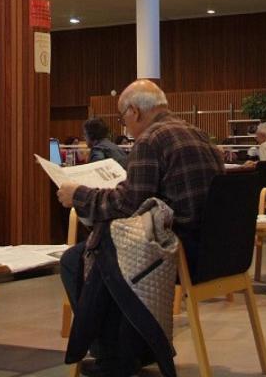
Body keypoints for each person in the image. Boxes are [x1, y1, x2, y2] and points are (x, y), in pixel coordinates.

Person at [56, 80, 223, 375]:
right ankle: (138, 348)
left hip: (175, 254)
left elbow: (128, 205)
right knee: (106, 249)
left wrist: (78, 195)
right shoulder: (198, 134)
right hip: (215, 252)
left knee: (77, 259)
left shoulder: (150, 139)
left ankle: (114, 358)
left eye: (123, 118)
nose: (125, 126)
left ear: (134, 111)